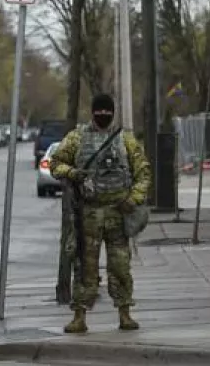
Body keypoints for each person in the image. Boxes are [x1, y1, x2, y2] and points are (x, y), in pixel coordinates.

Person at [49, 93, 151, 333]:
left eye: (108, 111)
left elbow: (143, 173)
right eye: (100, 111)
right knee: (85, 267)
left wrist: (133, 199)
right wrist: (73, 173)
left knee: (121, 266)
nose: (104, 115)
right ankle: (79, 315)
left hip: (118, 213)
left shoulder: (126, 140)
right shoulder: (77, 138)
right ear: (93, 112)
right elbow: (55, 164)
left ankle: (125, 312)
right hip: (89, 215)